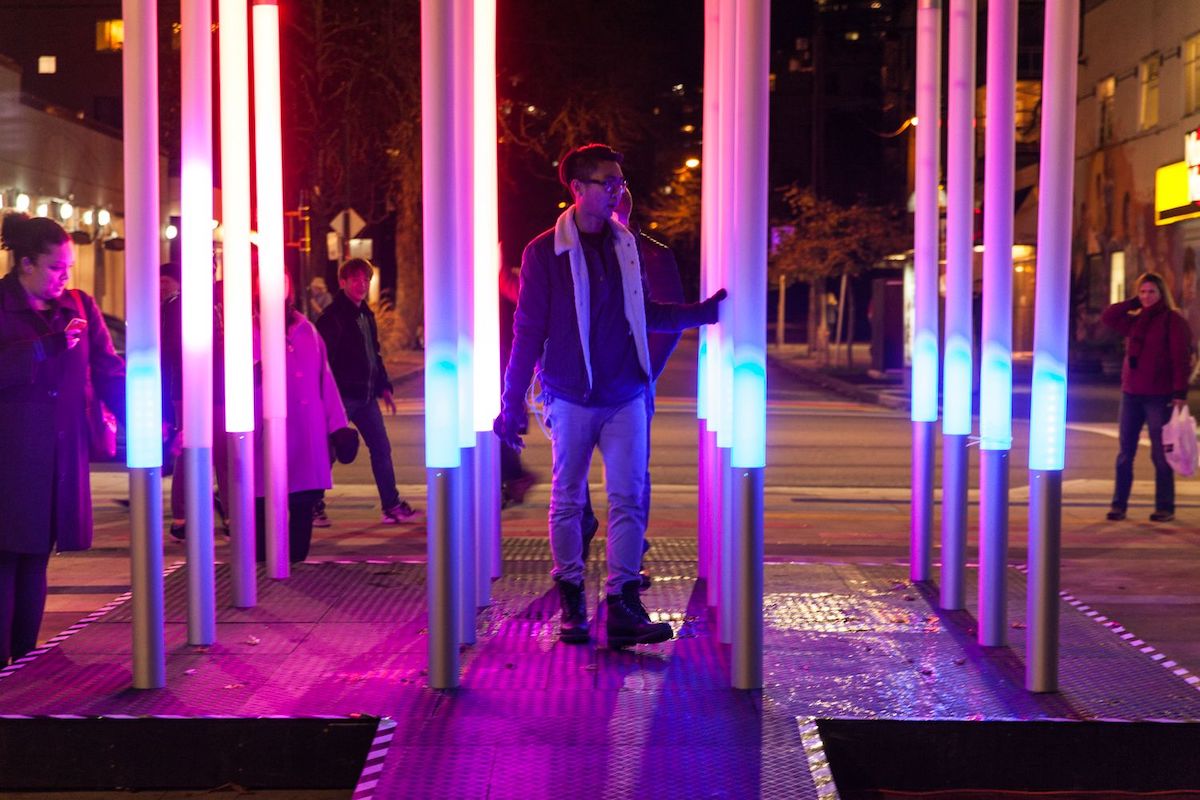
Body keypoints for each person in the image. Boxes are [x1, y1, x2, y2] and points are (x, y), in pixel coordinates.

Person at [494, 143, 726, 648]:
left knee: (629, 497)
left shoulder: (625, 246)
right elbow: (527, 330)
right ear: (577, 189)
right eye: (607, 182)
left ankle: (623, 603)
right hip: (570, 394)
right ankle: (572, 595)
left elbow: (646, 315)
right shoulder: (543, 252)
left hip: (624, 395)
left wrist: (702, 313)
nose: (617, 190)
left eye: (620, 181)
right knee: (568, 500)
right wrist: (511, 403)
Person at [0, 212, 124, 665]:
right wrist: (44, 346)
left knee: (37, 557)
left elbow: (109, 370)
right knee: (8, 559)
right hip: (11, 457)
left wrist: (155, 418)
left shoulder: (80, 306)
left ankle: (22, 660)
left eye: (68, 268)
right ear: (26, 263)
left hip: (60, 456)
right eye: (56, 268)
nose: (64, 277)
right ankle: (6, 666)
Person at [253, 272, 356, 562]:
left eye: (284, 280)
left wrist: (338, 426)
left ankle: (296, 565)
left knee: (301, 505)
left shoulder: (306, 330)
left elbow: (326, 380)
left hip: (306, 433)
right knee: (263, 505)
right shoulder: (249, 331)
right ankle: (265, 567)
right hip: (265, 435)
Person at [315, 258, 416, 525]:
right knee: (329, 450)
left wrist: (384, 387)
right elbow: (322, 360)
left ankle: (391, 504)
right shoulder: (333, 318)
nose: (362, 284)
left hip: (366, 396)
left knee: (381, 447)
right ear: (343, 282)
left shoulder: (365, 315)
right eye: (356, 279)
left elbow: (374, 354)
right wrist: (327, 397)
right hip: (342, 397)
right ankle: (313, 505)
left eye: (366, 279)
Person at [1101, 272, 1193, 523]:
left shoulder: (1172, 320)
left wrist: (1179, 394)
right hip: (1131, 394)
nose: (1146, 296)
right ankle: (1118, 505)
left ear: (1162, 293)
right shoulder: (1136, 320)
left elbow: (1180, 359)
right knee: (1125, 453)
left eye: (1151, 292)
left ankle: (1165, 507)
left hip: (1159, 395)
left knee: (1160, 454)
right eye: (1142, 291)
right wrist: (1133, 303)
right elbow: (1109, 316)